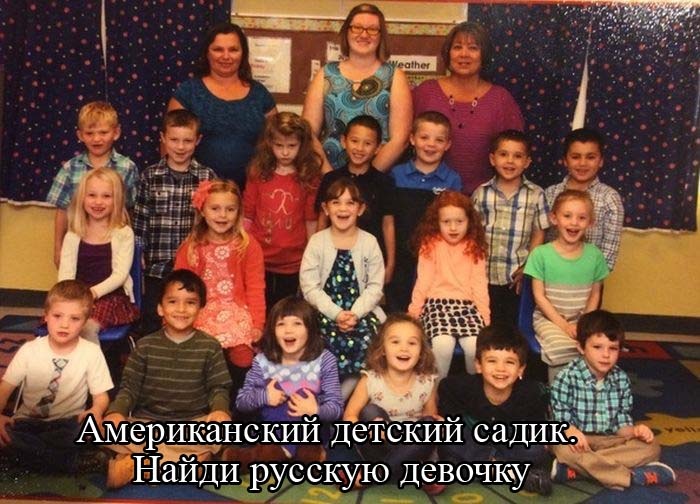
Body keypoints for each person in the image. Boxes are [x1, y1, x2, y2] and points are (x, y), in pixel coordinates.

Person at [103, 269, 232, 489]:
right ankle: (186, 465)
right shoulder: (145, 346)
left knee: (221, 432)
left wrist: (220, 411)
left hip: (191, 425)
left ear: (201, 308)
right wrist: (117, 412)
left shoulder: (210, 346)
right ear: (160, 308)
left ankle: (141, 465)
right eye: (173, 302)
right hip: (147, 425)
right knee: (106, 430)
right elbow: (129, 388)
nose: (181, 309)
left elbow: (218, 387)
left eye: (190, 303)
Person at [550, 310, 676, 490]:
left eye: (613, 348)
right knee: (560, 446)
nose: (606, 355)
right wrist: (571, 432)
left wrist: (636, 431)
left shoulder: (621, 379)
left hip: (610, 440)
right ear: (581, 348)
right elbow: (561, 421)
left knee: (651, 447)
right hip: (578, 440)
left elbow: (621, 425)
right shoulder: (566, 377)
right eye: (597, 347)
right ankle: (631, 478)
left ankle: (578, 470)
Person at [0, 280, 113, 473]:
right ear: (46, 316)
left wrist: (96, 410)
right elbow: (5, 388)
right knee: (7, 435)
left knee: (86, 434)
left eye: (75, 318)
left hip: (67, 424)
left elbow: (101, 396)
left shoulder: (91, 352)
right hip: (27, 423)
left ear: (85, 322)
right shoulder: (29, 350)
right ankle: (68, 463)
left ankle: (27, 458)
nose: (65, 324)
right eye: (57, 316)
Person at [222, 297, 343, 467]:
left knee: (302, 394)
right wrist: (265, 397)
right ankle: (282, 451)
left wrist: (315, 410)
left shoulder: (325, 359)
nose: (288, 330)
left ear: (310, 329)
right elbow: (241, 402)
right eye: (281, 324)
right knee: (274, 388)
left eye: (297, 324)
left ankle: (267, 454)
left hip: (310, 432)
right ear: (272, 330)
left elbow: (336, 408)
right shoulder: (262, 361)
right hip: (271, 432)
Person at [174, 179, 265, 394]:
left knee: (242, 352)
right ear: (202, 211)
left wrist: (258, 324)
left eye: (230, 209)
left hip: (236, 311)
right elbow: (179, 287)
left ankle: (239, 403)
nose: (222, 215)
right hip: (202, 311)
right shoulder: (191, 247)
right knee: (199, 352)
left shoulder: (248, 245)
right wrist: (176, 318)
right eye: (215, 208)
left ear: (238, 212)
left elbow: (255, 287)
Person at [438, 324, 552, 496]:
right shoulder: (457, 387)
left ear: (521, 368)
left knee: (535, 448)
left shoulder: (532, 392)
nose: (500, 369)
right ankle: (511, 472)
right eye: (492, 361)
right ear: (478, 365)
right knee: (449, 440)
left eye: (510, 362)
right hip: (474, 441)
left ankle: (481, 470)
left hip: (507, 444)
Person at [412, 22, 524, 194]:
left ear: (484, 55)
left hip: (484, 199)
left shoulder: (501, 99)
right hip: (426, 194)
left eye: (473, 48)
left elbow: (516, 152)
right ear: (448, 53)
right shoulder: (426, 92)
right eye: (457, 47)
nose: (464, 54)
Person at [133, 109, 216, 335]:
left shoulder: (207, 177)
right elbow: (141, 219)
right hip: (157, 267)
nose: (180, 147)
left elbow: (213, 223)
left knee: (193, 319)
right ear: (163, 138)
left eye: (187, 141)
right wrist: (138, 253)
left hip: (194, 266)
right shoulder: (150, 176)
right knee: (153, 319)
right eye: (174, 140)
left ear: (198, 140)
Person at [300, 178, 385, 397]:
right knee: (320, 341)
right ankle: (323, 393)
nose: (343, 209)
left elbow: (375, 286)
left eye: (350, 203)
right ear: (325, 208)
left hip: (360, 312)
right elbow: (309, 287)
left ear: (360, 209)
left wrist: (354, 314)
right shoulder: (317, 241)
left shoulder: (370, 242)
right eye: (336, 202)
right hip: (324, 311)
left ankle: (342, 395)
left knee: (367, 340)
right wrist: (336, 314)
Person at [302, 3, 412, 172]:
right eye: (357, 27)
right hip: (328, 174)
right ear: (347, 32)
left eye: (372, 29)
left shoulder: (395, 76)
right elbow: (308, 133)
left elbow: (400, 139)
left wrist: (366, 178)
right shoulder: (325, 74)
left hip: (377, 177)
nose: (364, 34)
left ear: (381, 36)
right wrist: (330, 176)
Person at [343, 314, 443, 495]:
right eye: (395, 342)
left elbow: (429, 418)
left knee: (430, 425)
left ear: (421, 351)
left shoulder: (427, 382)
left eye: (412, 343)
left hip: (410, 448)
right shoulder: (370, 380)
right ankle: (406, 472)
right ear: (382, 349)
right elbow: (349, 416)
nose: (404, 348)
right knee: (369, 411)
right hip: (377, 446)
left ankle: (376, 475)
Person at [168, 22, 277, 186]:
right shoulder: (188, 93)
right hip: (196, 191)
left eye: (233, 49)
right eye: (218, 49)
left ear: (243, 54)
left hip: (252, 191)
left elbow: (277, 141)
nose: (226, 56)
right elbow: (170, 146)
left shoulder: (260, 94)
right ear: (207, 53)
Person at [524, 190, 609, 381]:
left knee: (599, 347)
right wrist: (563, 325)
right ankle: (559, 395)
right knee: (563, 347)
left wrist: (583, 324)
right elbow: (539, 296)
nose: (574, 223)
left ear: (590, 222)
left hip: (583, 320)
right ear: (554, 218)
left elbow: (595, 294)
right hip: (549, 319)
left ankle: (585, 392)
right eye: (567, 216)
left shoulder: (595, 255)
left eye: (581, 218)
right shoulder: (540, 254)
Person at [243, 112, 322, 309]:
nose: (285, 152)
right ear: (269, 143)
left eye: (291, 146)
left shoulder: (308, 176)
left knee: (286, 311)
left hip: (293, 262)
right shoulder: (258, 172)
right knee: (259, 308)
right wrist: (243, 251)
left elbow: (311, 220)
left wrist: (311, 257)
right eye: (279, 146)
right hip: (259, 259)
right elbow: (247, 215)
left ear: (302, 145)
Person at [408, 190, 490, 379]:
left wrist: (485, 319)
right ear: (437, 222)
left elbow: (479, 285)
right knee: (443, 345)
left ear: (469, 221)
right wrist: (413, 314)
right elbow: (423, 281)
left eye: (459, 221)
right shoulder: (430, 244)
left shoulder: (475, 247)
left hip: (468, 308)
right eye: (446, 222)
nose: (453, 228)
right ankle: (436, 390)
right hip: (437, 306)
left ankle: (474, 389)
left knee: (474, 347)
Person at [47, 101, 138, 267]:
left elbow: (130, 210)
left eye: (103, 132)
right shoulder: (70, 168)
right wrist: (58, 247)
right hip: (79, 246)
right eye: (89, 133)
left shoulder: (127, 167)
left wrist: (132, 245)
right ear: (80, 135)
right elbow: (62, 211)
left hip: (116, 246)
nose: (96, 139)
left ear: (116, 132)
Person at [472, 130, 549, 325]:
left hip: (516, 276)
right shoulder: (481, 193)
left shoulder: (536, 194)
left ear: (527, 162)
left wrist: (528, 266)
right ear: (492, 159)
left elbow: (539, 233)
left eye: (518, 156)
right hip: (484, 274)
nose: (510, 161)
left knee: (512, 326)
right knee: (484, 324)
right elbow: (472, 232)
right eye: (503, 154)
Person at [387, 111, 462, 312]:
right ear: (412, 139)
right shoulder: (396, 174)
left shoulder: (452, 180)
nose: (431, 145)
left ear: (448, 145)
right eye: (424, 137)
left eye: (439, 140)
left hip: (436, 256)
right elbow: (389, 218)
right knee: (399, 306)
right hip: (401, 253)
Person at [57, 167, 140, 340]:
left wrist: (92, 293)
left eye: (106, 196)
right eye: (92, 195)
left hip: (110, 297)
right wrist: (70, 297)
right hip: (77, 296)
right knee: (59, 322)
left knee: (86, 326)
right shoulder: (73, 234)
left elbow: (119, 275)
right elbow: (65, 274)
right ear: (82, 198)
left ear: (117, 200)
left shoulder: (124, 233)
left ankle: (90, 359)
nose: (98, 202)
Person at [315, 115, 396, 284]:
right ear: (343, 141)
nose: (360, 148)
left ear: (378, 148)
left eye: (367, 143)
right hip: (333, 255)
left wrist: (390, 264)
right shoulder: (331, 179)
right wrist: (317, 255)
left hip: (370, 260)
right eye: (354, 141)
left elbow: (388, 224)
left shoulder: (384, 182)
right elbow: (322, 219)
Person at [545, 128, 624, 271]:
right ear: (565, 160)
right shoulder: (550, 194)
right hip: (549, 273)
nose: (582, 163)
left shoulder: (610, 198)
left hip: (589, 277)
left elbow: (609, 253)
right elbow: (541, 238)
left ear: (601, 161)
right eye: (575, 157)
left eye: (590, 157)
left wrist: (587, 276)